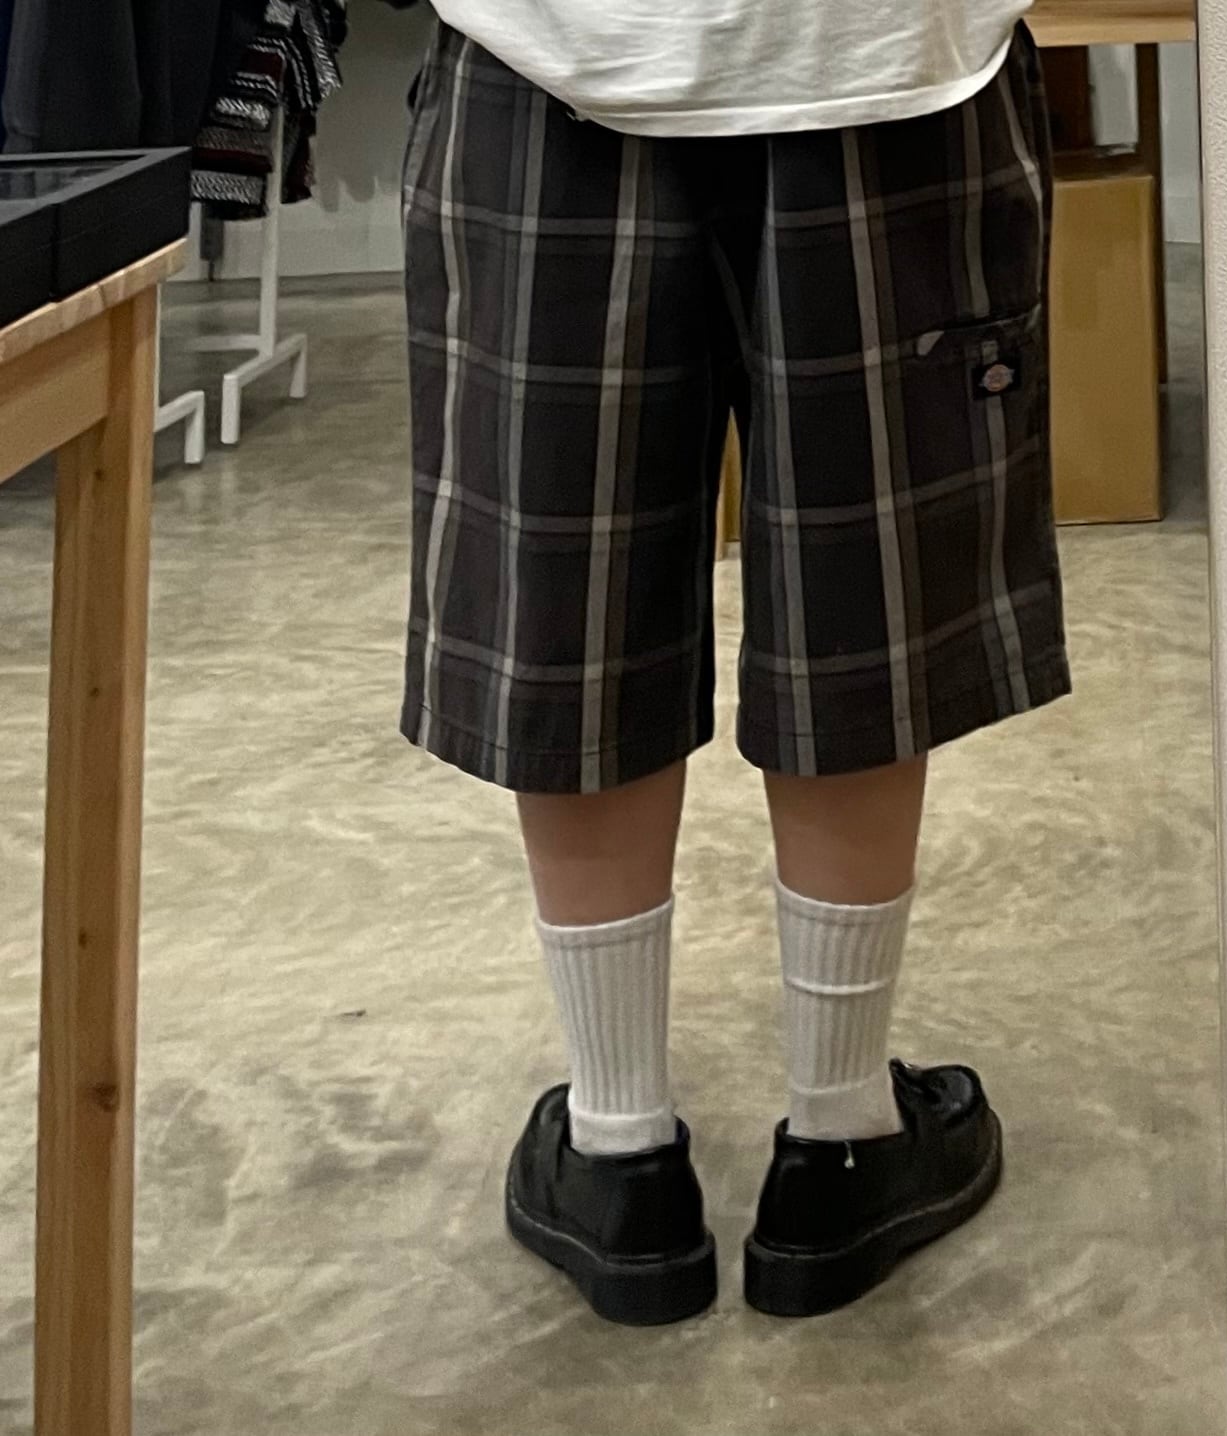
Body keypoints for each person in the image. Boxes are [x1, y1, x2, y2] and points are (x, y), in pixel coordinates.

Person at [398, 0, 1069, 1324]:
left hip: (554, 62)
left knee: (570, 591)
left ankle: (618, 1153)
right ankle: (842, 1136)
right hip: (885, 65)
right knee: (863, 600)